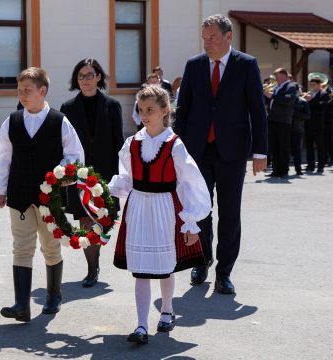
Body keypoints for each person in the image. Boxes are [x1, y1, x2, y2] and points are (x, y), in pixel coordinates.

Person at [108, 85, 210, 344]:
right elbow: (127, 179)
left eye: (150, 110)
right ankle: (141, 325)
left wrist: (190, 222)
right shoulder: (132, 143)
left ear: (165, 111)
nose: (144, 115)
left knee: (165, 267)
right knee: (141, 269)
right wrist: (103, 190)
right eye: (141, 110)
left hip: (165, 207)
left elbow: (189, 183)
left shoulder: (174, 145)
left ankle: (166, 310)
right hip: (139, 206)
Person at [175, 14, 267, 295]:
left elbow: (257, 110)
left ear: (229, 37)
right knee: (198, 210)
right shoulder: (194, 65)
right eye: (204, 38)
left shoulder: (246, 65)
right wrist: (175, 148)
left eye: (213, 37)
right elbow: (184, 110)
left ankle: (224, 272)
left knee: (229, 213)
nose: (208, 43)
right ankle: (201, 261)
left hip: (232, 151)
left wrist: (260, 151)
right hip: (197, 151)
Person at [0, 67, 84, 322]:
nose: (22, 95)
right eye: (19, 90)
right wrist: (0, 189)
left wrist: (67, 173)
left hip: (50, 196)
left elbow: (74, 153)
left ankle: (54, 295)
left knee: (50, 246)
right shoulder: (12, 121)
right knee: (21, 247)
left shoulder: (59, 121)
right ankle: (21, 304)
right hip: (20, 194)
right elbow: (2, 157)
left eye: (27, 91)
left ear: (42, 91)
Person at [60, 59, 123, 288]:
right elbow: (65, 145)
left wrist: (122, 176)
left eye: (89, 75)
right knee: (86, 220)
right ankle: (92, 267)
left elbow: (119, 143)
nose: (85, 80)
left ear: (98, 77)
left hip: (106, 173)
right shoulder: (67, 108)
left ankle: (95, 260)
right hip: (80, 175)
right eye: (81, 76)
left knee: (102, 220)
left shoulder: (113, 105)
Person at [264, 68, 297, 178]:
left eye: (277, 77)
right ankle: (276, 169)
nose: (276, 79)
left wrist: (273, 96)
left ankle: (283, 170)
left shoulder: (291, 87)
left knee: (283, 147)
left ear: (284, 76)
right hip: (273, 120)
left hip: (283, 121)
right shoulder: (277, 87)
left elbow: (288, 101)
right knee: (274, 146)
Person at [303, 77, 328, 174]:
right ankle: (310, 165)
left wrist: (311, 100)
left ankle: (320, 166)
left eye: (314, 85)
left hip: (318, 124)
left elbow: (321, 109)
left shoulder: (324, 94)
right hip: (308, 123)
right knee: (309, 146)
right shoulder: (309, 94)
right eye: (311, 85)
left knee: (319, 146)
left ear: (319, 85)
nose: (312, 87)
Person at [291, 85, 310, 175]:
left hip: (297, 128)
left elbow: (307, 115)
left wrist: (295, 113)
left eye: (297, 90)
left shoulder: (303, 101)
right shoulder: (288, 100)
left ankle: (298, 169)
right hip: (286, 128)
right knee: (284, 149)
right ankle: (283, 169)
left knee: (297, 150)